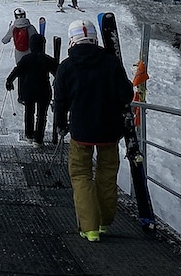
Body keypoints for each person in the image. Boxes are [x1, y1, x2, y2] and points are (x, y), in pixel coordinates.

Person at [53, 20, 133, 243]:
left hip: (81, 131)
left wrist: (61, 124)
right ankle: (105, 222)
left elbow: (60, 101)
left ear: (72, 39)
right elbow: (125, 95)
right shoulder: (111, 62)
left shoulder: (66, 67)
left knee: (81, 175)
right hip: (110, 130)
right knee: (107, 175)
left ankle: (90, 228)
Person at [6, 33, 58, 147]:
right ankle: (38, 140)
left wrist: (9, 81)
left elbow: (17, 70)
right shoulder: (47, 59)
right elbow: (58, 72)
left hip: (29, 90)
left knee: (29, 112)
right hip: (43, 90)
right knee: (42, 115)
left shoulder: (27, 59)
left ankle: (29, 135)